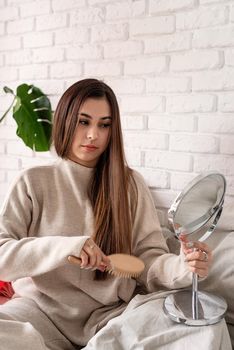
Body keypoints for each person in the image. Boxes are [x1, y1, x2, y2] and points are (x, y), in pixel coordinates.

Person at [0, 78, 212, 350]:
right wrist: (68, 246)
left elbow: (147, 259)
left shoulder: (130, 184)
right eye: (83, 121)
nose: (93, 135)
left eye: (104, 125)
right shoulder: (32, 181)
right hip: (38, 314)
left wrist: (183, 266)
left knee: (205, 326)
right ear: (64, 121)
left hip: (111, 317)